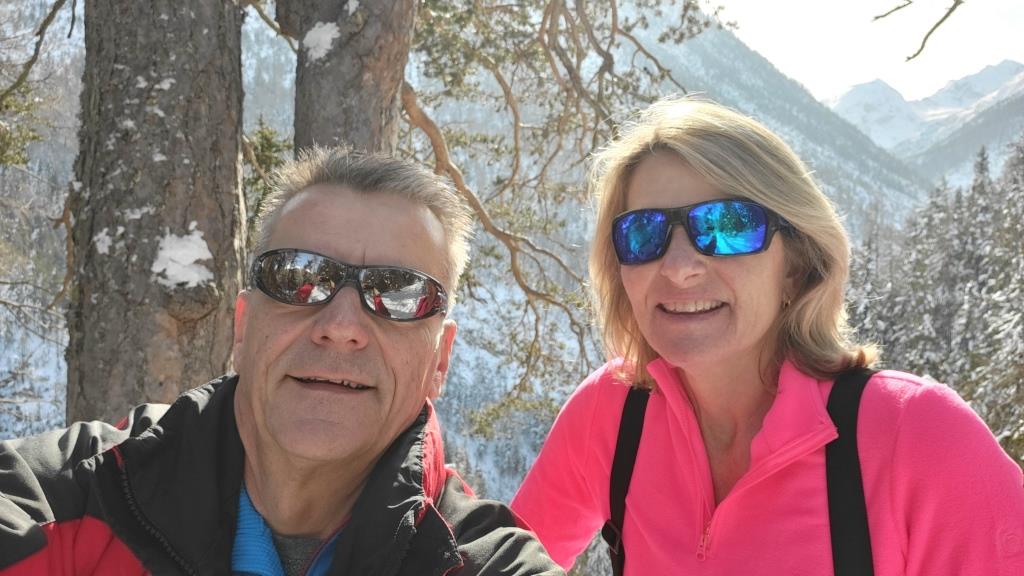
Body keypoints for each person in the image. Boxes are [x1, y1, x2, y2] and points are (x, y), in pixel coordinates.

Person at [510, 97, 1024, 575]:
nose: (680, 266)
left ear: (795, 265)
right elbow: (497, 558)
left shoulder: (917, 437)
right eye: (643, 233)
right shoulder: (615, 412)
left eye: (728, 225)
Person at [0, 148, 563, 576]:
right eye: (299, 277)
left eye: (398, 292)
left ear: (440, 360)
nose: (341, 326)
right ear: (243, 328)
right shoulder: (64, 496)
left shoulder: (485, 563)